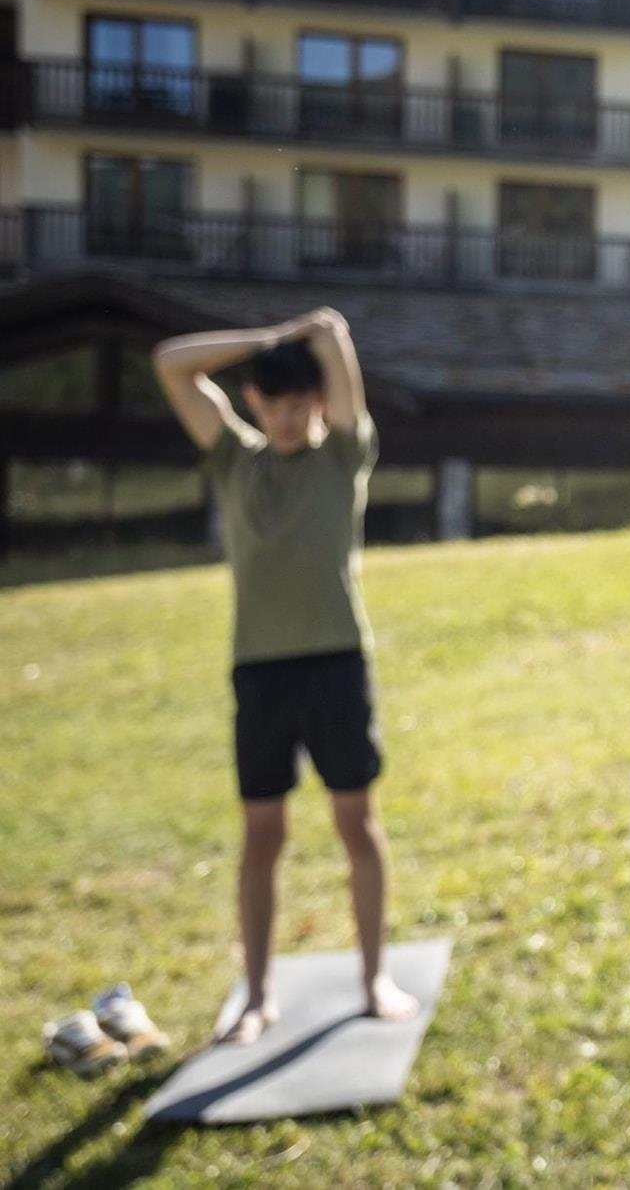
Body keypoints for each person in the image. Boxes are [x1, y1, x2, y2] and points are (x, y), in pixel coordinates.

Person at [152, 309, 416, 1043]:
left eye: (301, 404)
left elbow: (333, 335)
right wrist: (268, 340)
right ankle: (258, 996)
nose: (289, 418)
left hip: (336, 664)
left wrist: (312, 335)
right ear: (254, 403)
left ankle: (375, 979)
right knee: (261, 834)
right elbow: (172, 361)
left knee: (356, 822)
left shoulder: (344, 456)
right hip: (260, 673)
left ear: (319, 403)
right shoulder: (234, 459)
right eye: (275, 405)